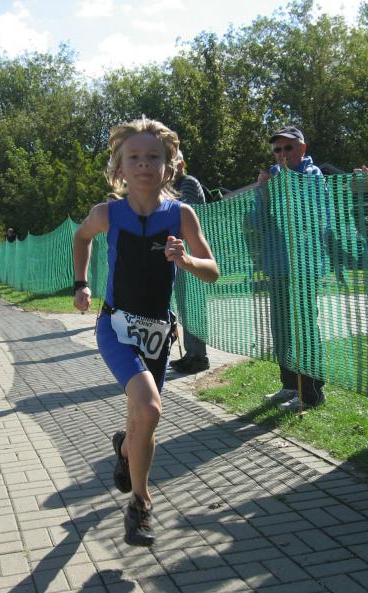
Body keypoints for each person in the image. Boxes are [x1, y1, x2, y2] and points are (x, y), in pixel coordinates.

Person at [72, 117, 218, 545]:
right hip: (115, 326)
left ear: (168, 166)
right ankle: (141, 506)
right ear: (119, 167)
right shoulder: (107, 213)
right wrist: (81, 284)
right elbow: (81, 239)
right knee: (150, 408)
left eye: (153, 157)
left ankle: (124, 448)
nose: (143, 164)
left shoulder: (181, 215)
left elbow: (212, 270)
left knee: (141, 422)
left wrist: (185, 260)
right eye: (133, 157)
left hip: (157, 332)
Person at [253, 125, 327, 411]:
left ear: (302, 149)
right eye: (277, 150)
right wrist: (263, 193)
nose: (282, 154)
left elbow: (314, 215)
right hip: (278, 266)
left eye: (288, 148)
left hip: (304, 266)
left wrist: (285, 187)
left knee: (305, 327)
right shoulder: (271, 179)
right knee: (282, 328)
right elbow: (257, 223)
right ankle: (289, 384)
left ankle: (311, 392)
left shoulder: (313, 175)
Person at [169, 150, 210, 374]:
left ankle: (199, 357)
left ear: (181, 164)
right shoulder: (171, 187)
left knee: (194, 307)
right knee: (185, 307)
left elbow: (183, 212)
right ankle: (191, 354)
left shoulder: (189, 183)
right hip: (180, 256)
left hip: (195, 255)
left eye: (172, 161)